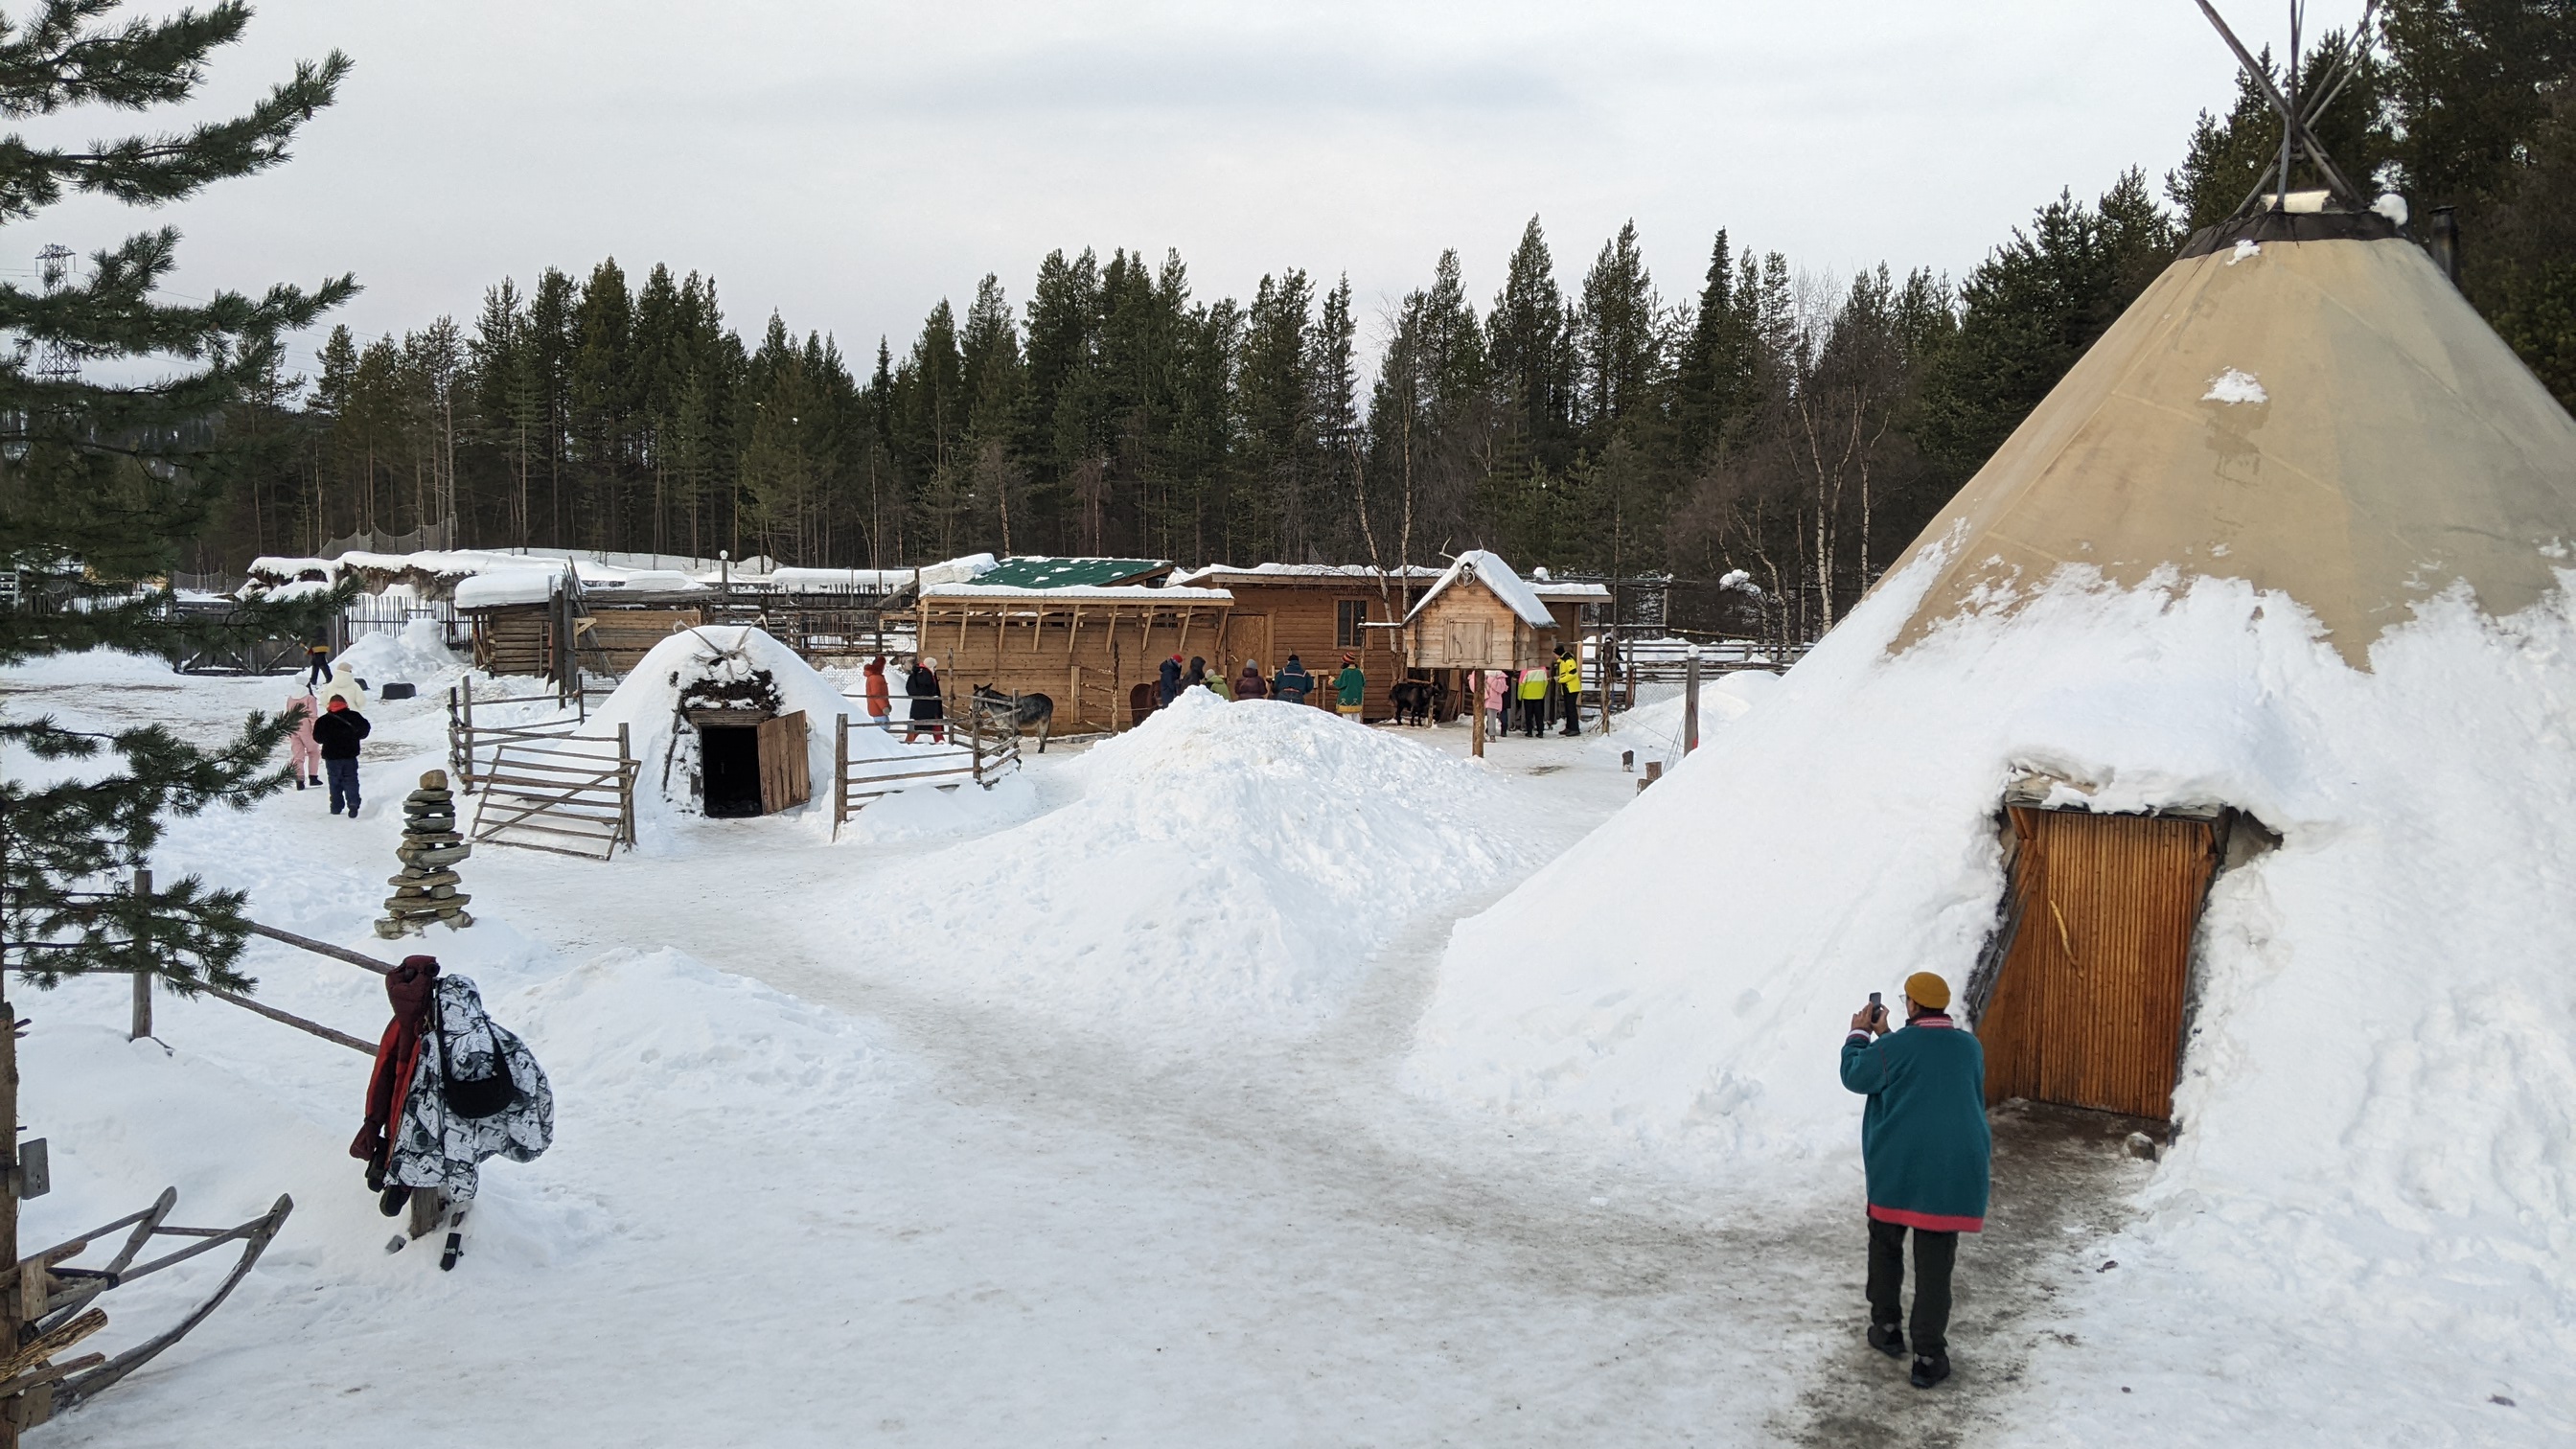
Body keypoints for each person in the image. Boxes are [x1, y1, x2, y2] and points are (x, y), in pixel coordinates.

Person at [1840, 971, 1991, 1391]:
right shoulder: (1970, 1047)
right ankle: (1928, 1355)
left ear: (1912, 1005)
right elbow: (1923, 1064)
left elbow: (1857, 1074)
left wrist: (1859, 1034)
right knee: (1935, 1264)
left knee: (1886, 1246)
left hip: (1899, 1165)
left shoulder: (1893, 1049)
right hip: (1952, 1168)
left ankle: (1887, 1328)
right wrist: (1888, 1036)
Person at [311, 694, 373, 817]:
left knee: (334, 781)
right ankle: (353, 803)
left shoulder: (323, 720)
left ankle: (336, 806)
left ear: (330, 705)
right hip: (350, 755)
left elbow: (318, 738)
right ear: (345, 704)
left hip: (332, 757)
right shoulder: (354, 716)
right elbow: (364, 731)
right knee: (351, 779)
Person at [285, 687, 322, 790]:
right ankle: (313, 776)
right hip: (306, 728)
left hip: (293, 727)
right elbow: (312, 716)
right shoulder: (310, 698)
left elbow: (288, 714)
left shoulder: (290, 698)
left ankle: (299, 780)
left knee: (297, 755)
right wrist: (315, 729)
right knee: (313, 752)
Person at [905, 656, 944, 744]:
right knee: (921, 726)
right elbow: (927, 689)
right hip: (926, 707)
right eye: (934, 667)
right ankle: (908, 743)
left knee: (928, 725)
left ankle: (941, 742)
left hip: (923, 707)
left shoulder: (919, 673)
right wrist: (932, 696)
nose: (935, 669)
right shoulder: (925, 675)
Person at [1554, 645, 1584, 737]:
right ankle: (1569, 727)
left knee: (1571, 709)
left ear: (1559, 654)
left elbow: (1572, 674)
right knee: (1568, 708)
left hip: (1572, 688)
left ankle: (1575, 729)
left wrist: (1560, 680)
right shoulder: (1563, 661)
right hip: (1567, 688)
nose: (1554, 656)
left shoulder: (1568, 660)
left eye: (1555, 654)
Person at [1516, 663, 1549, 737]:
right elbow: (1545, 682)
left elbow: (1521, 684)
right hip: (1539, 695)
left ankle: (1529, 732)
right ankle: (1540, 732)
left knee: (1528, 715)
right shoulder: (1543, 669)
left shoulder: (1525, 670)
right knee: (1539, 715)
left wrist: (1519, 696)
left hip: (1528, 695)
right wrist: (1542, 693)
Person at [862, 656, 892, 730]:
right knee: (883, 728)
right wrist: (884, 707)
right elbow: (876, 695)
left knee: (885, 727)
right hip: (878, 709)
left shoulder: (875, 677)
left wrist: (886, 705)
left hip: (877, 708)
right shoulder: (875, 678)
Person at [1482, 667, 1509, 743]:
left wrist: (1489, 679)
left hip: (1492, 699)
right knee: (1482, 718)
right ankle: (1482, 735)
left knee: (1491, 719)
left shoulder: (1500, 674)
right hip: (1484, 697)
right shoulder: (1481, 671)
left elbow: (1501, 688)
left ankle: (1491, 735)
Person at [1334, 654, 1365, 721]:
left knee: (1347, 719)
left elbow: (1340, 684)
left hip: (1346, 698)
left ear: (1346, 662)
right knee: (1356, 717)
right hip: (1357, 698)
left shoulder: (1345, 672)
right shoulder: (1358, 672)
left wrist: (1333, 681)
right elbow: (1363, 683)